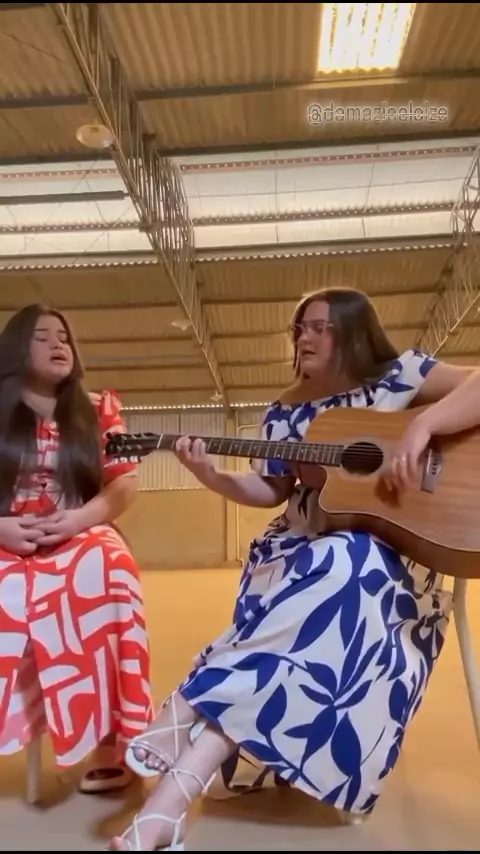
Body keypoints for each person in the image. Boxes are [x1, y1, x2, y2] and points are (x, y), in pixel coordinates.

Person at [110, 287, 480, 851]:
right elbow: (271, 489)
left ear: (353, 332)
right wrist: (210, 475)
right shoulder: (284, 411)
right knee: (333, 563)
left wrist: (421, 427)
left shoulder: (403, 376)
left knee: (345, 562)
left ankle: (181, 737)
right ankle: (168, 806)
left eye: (319, 327)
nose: (304, 337)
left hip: (396, 567)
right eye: (299, 329)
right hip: (301, 551)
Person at [0, 304, 153, 794]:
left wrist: (79, 520)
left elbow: (124, 484)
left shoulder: (98, 408)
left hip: (76, 531)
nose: (58, 344)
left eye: (63, 336)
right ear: (16, 347)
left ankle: (114, 743)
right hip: (4, 535)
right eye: (43, 336)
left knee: (112, 566)